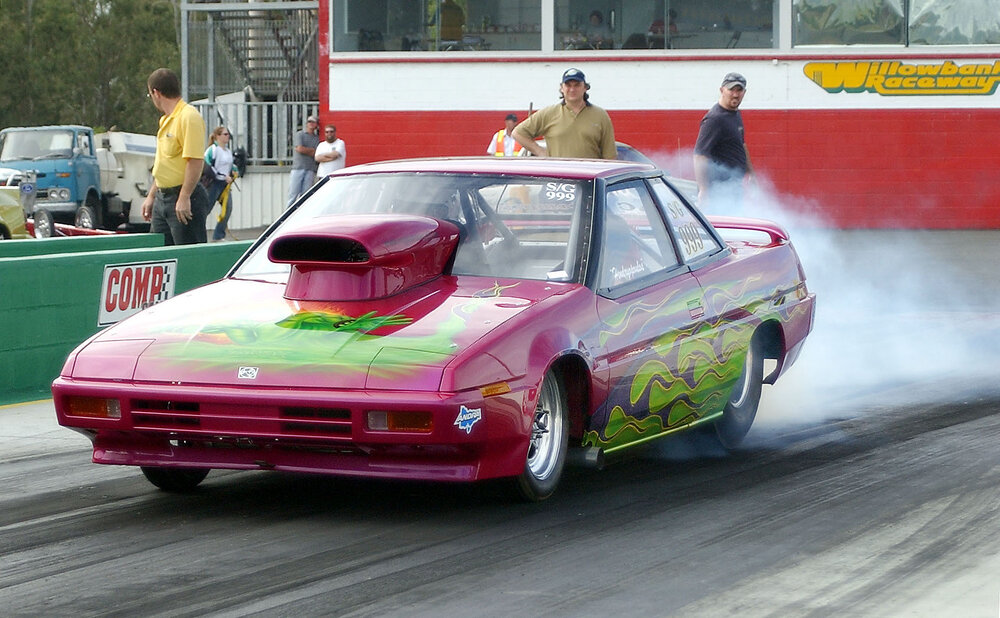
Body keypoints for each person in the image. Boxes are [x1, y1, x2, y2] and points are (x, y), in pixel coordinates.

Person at [140, 68, 210, 245]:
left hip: (183, 196)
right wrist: (151, 196)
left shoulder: (188, 116)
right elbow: (165, 164)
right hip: (162, 198)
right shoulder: (165, 120)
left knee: (187, 257)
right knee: (159, 254)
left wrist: (184, 196)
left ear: (156, 93)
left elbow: (194, 161)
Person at [512, 68, 616, 160]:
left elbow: (610, 157)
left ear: (585, 88)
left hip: (589, 178)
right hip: (559, 178)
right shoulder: (549, 113)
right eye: (568, 85)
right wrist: (540, 152)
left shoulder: (600, 116)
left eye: (577, 85)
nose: (572, 89)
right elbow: (518, 133)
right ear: (562, 88)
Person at [693, 72, 754, 206]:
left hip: (733, 187)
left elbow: (741, 143)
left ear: (744, 92)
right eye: (731, 89)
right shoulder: (714, 119)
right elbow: (700, 156)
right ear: (722, 90)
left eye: (739, 90)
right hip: (718, 191)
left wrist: (750, 173)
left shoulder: (735, 114)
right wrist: (703, 190)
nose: (735, 94)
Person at [204, 126, 237, 242]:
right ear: (218, 136)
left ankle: (218, 235)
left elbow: (230, 166)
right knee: (206, 209)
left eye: (228, 134)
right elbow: (208, 166)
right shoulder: (212, 150)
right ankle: (197, 232)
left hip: (225, 186)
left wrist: (234, 172)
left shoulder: (228, 152)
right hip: (213, 184)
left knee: (227, 209)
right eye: (225, 134)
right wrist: (222, 177)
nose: (228, 137)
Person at [287, 115, 320, 206]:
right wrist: (311, 150)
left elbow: (316, 153)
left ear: (316, 125)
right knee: (293, 194)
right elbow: (300, 149)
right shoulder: (300, 134)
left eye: (313, 122)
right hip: (298, 168)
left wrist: (307, 150)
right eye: (309, 122)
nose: (311, 124)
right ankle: (287, 216)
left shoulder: (317, 138)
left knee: (305, 195)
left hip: (310, 169)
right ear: (306, 124)